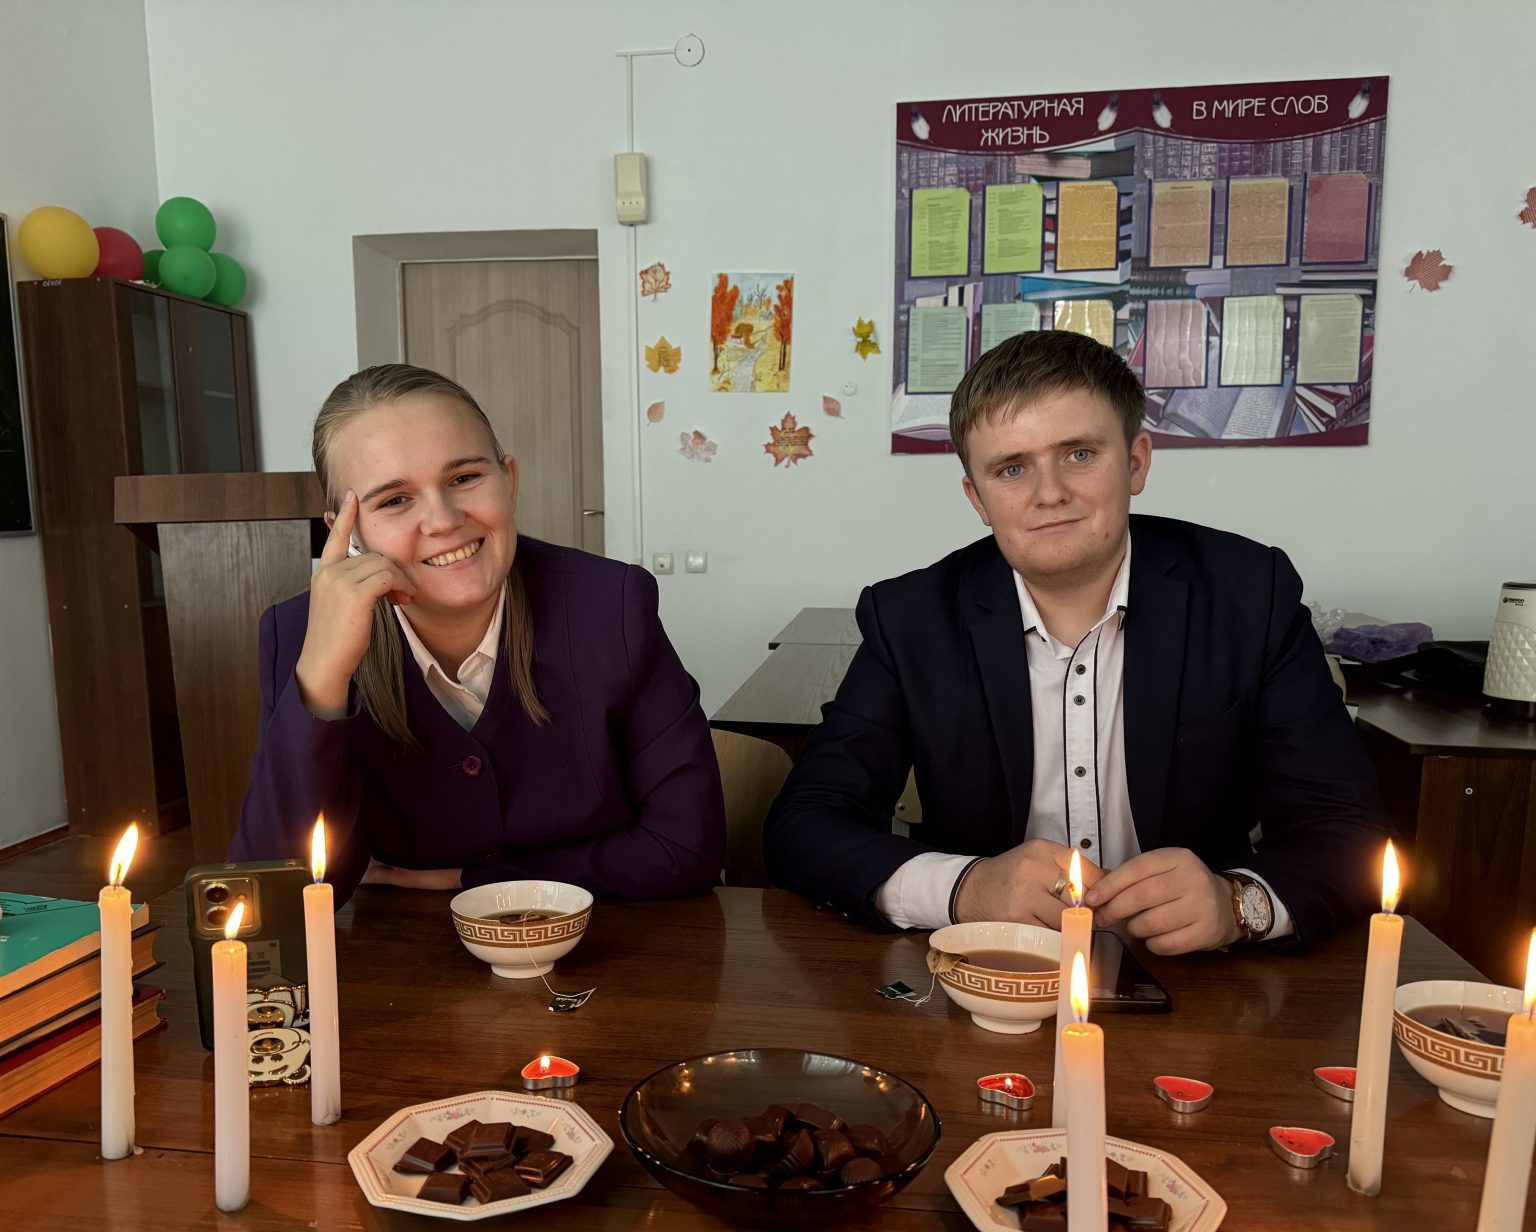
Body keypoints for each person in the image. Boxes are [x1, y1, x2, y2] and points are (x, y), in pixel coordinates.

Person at [764, 330, 1387, 952]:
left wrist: (1238, 903)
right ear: (977, 498)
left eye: (1080, 454)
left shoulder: (1250, 594)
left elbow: (1348, 827)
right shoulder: (910, 617)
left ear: (1136, 462)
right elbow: (805, 823)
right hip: (990, 968)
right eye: (1011, 469)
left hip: (1201, 973)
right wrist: (965, 888)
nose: (1050, 494)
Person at [233, 364, 725, 906]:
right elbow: (277, 897)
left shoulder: (612, 605)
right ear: (347, 534)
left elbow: (686, 849)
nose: (443, 520)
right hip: (404, 951)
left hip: (607, 936)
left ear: (509, 480)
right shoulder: (296, 636)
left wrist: (473, 879)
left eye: (464, 478)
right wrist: (324, 678)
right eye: (393, 500)